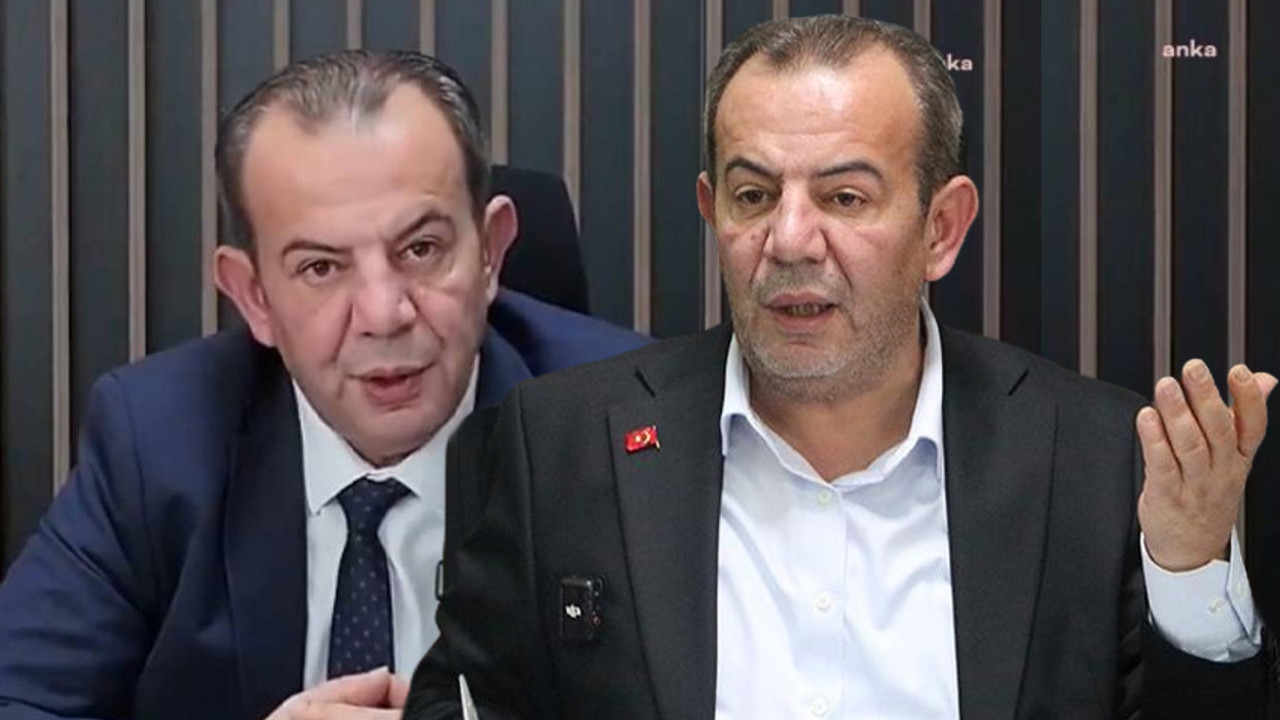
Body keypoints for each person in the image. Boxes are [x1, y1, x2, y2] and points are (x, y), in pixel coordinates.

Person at [406, 16, 1275, 719]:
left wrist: (1190, 575)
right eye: (753, 196)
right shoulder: (560, 445)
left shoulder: (1094, 459)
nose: (789, 240)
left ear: (941, 229)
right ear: (712, 211)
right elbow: (464, 700)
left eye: (844, 197)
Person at [0, 50, 646, 720]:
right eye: (321, 268)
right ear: (254, 297)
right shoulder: (157, 441)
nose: (383, 314)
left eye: (421, 249)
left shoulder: (629, 427)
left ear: (489, 251)